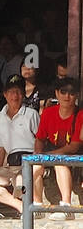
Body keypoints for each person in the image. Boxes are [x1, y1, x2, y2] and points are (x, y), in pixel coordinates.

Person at [0, 75, 41, 216]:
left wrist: (37, 162)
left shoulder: (31, 114)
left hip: (29, 161)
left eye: (19, 91)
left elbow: (40, 140)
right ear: (5, 94)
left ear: (23, 94)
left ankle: (34, 208)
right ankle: (20, 206)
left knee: (20, 180)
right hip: (11, 163)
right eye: (11, 92)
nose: (15, 95)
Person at [31, 76, 83, 218]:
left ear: (77, 95)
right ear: (56, 93)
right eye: (63, 91)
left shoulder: (80, 115)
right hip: (52, 152)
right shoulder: (48, 113)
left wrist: (50, 155)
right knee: (35, 165)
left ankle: (66, 207)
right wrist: (38, 154)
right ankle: (37, 206)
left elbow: (74, 146)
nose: (67, 96)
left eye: (72, 93)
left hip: (74, 156)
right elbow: (40, 139)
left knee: (59, 162)